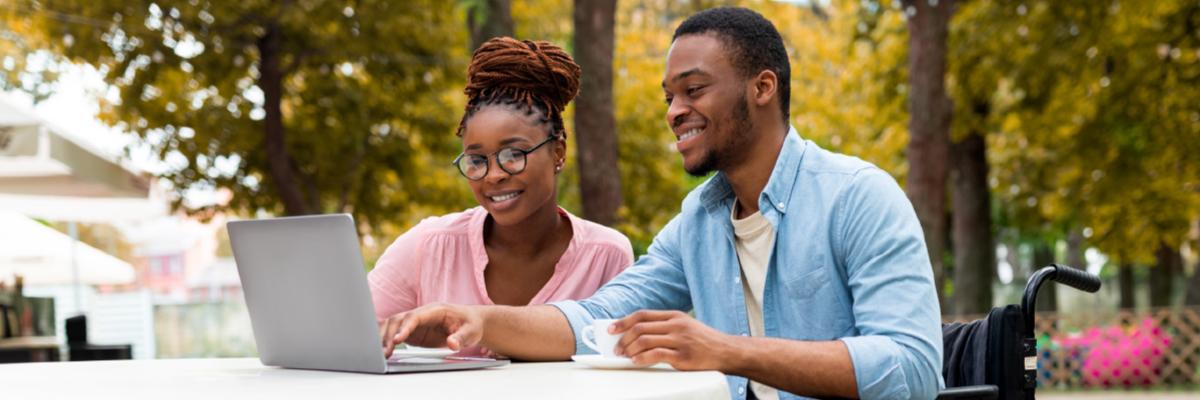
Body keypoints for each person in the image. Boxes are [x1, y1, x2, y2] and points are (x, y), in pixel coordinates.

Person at [379, 7, 943, 399]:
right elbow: (594, 320)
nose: (674, 110)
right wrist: (475, 320)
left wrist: (727, 351)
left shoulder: (857, 196)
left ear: (762, 88)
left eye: (693, 90)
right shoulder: (698, 220)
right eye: (669, 96)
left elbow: (913, 369)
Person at [368, 37, 634, 356]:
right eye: (477, 161)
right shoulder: (431, 246)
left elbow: (617, 364)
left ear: (558, 152)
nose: (494, 175)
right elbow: (351, 332)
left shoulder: (605, 255)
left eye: (513, 154)